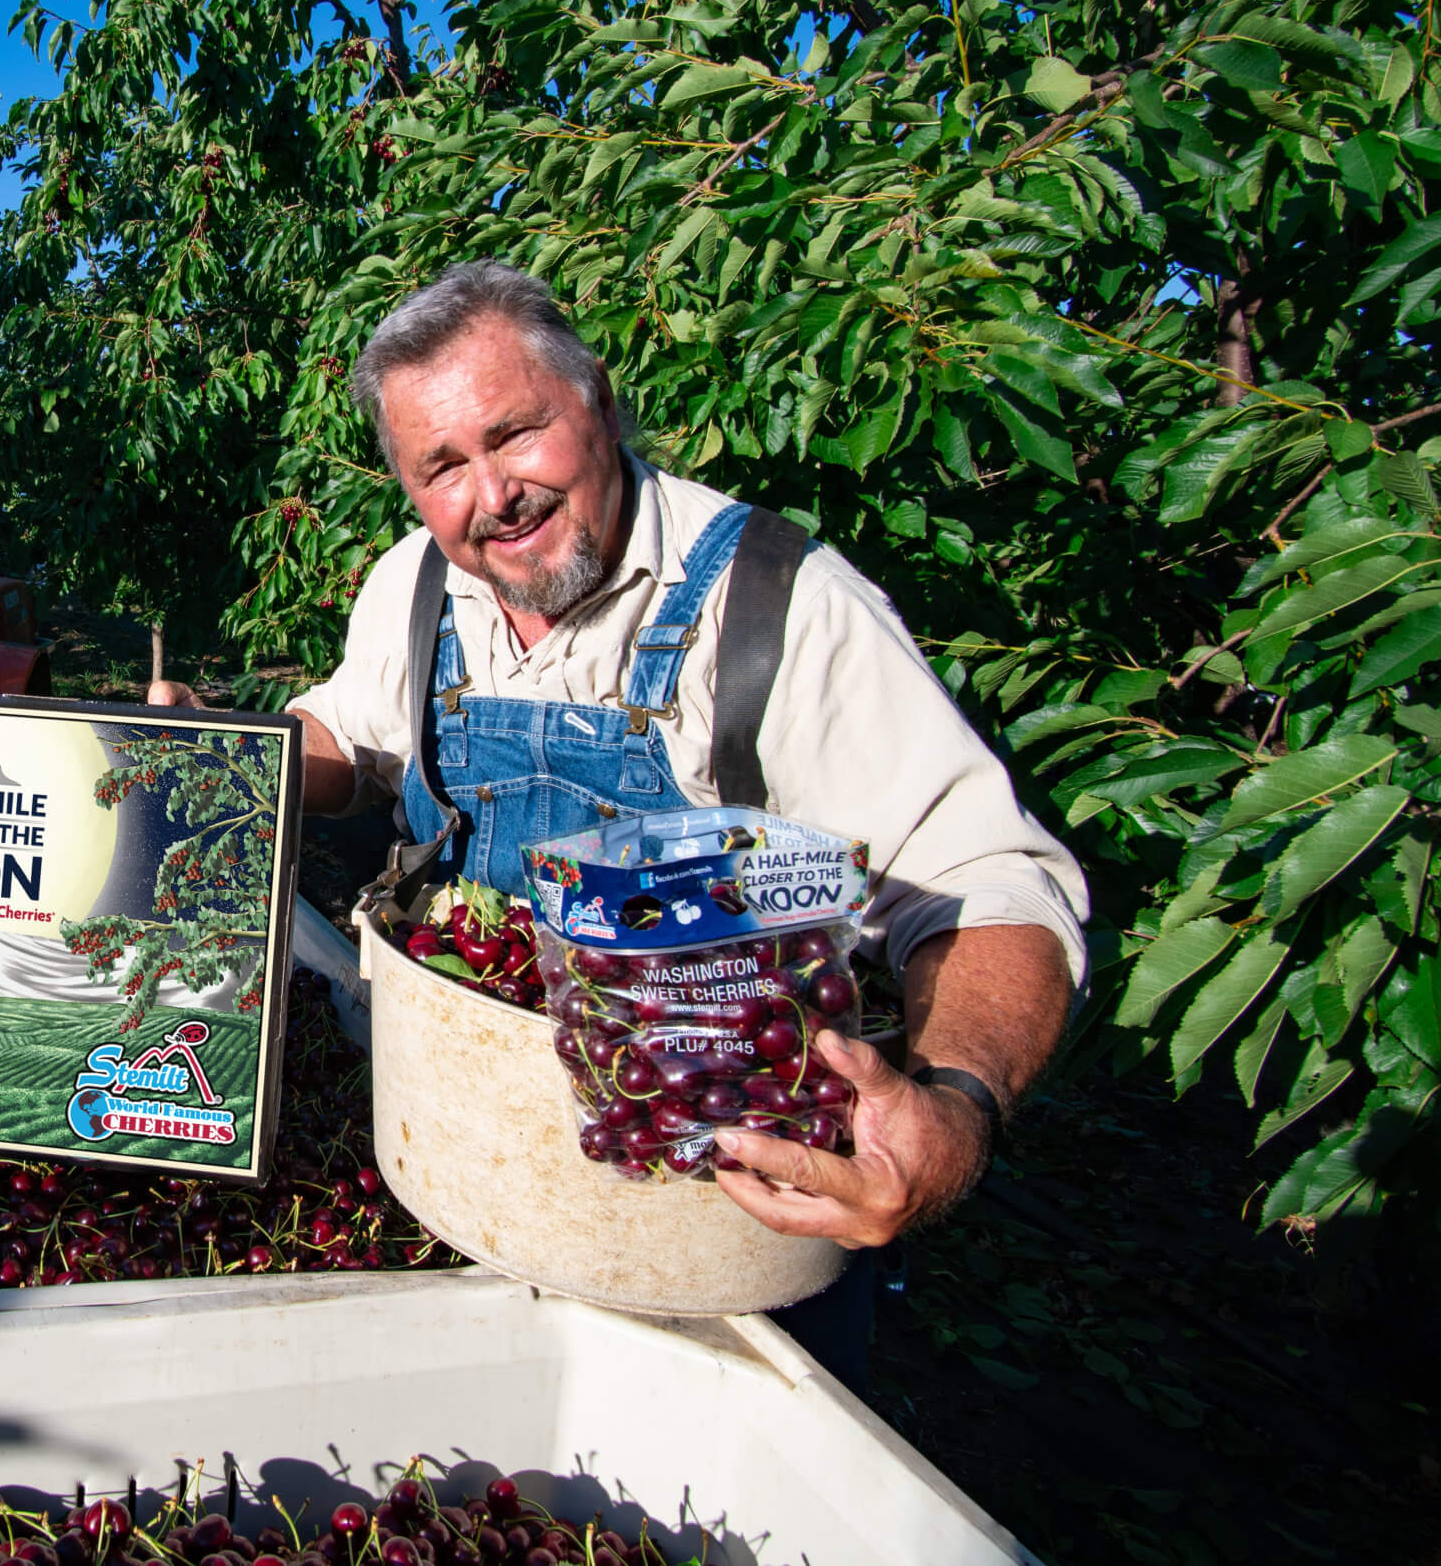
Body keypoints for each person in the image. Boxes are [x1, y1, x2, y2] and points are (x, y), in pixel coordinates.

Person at [150, 261, 1086, 1381]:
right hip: (453, 1172)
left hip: (705, 1232)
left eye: (516, 434)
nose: (491, 495)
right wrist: (229, 756)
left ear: (594, 393)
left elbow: (988, 880)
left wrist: (956, 1104)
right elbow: (354, 745)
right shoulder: (413, 583)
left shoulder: (777, 606)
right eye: (441, 466)